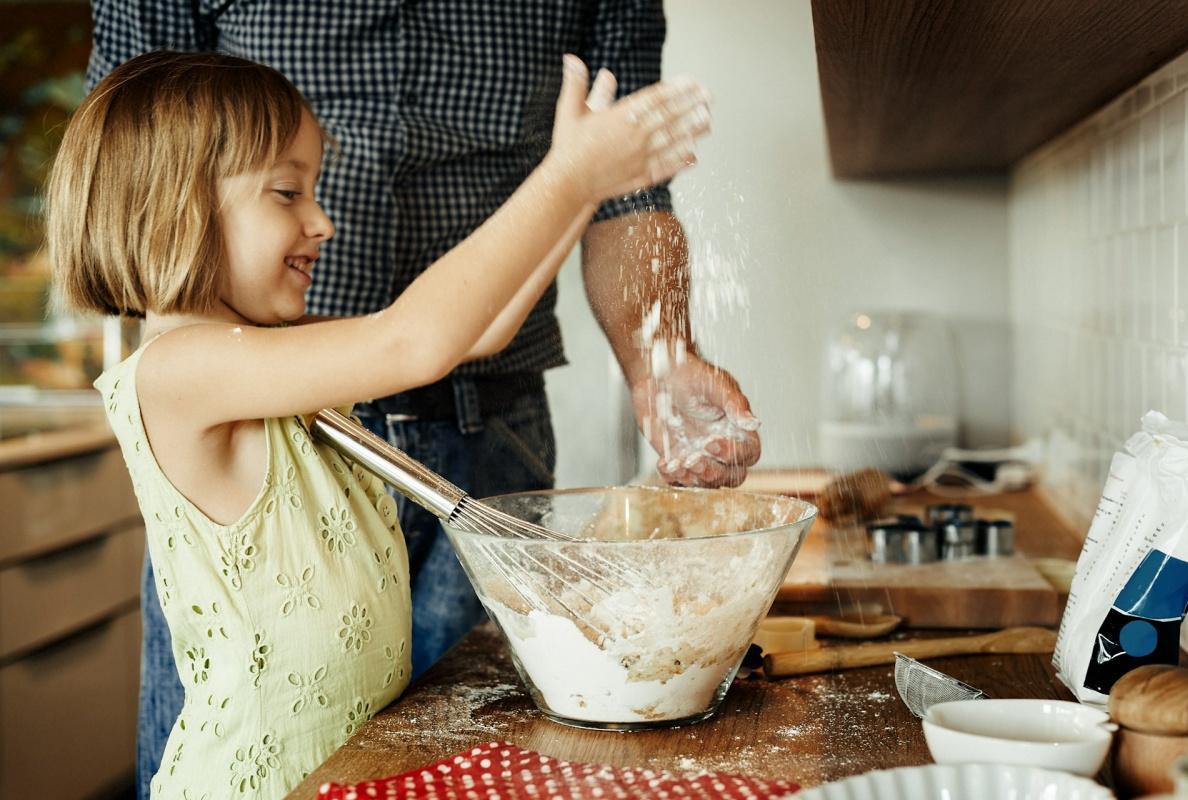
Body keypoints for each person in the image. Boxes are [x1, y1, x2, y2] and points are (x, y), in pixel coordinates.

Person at [86, 4, 761, 796]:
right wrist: (568, 175)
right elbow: (419, 342)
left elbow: (482, 329)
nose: (323, 221)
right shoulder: (180, 370)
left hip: (337, 774)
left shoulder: (276, 355)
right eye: (287, 193)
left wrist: (589, 186)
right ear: (174, 204)